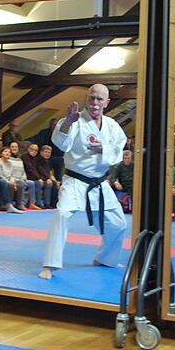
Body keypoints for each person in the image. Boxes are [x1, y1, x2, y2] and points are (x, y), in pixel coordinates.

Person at [40, 84, 127, 279]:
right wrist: (67, 124)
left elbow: (119, 150)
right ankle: (50, 265)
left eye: (99, 99)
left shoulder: (112, 125)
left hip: (100, 183)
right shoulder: (74, 120)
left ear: (107, 102)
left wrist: (101, 148)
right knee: (62, 215)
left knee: (118, 224)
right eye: (91, 98)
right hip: (75, 181)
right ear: (86, 98)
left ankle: (105, 258)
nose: (95, 102)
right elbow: (62, 143)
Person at [8, 141, 39, 210]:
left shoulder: (19, 160)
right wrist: (14, 180)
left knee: (31, 183)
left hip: (21, 178)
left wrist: (24, 178)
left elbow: (23, 171)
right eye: (12, 147)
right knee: (21, 183)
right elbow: (9, 172)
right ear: (9, 148)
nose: (14, 148)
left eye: (16, 147)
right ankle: (20, 203)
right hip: (12, 179)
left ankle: (31, 203)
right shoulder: (8, 159)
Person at [21, 143, 52, 208]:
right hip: (26, 177)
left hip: (33, 177)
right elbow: (30, 169)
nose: (34, 151)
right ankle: (37, 203)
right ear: (28, 149)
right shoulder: (24, 156)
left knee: (48, 183)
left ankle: (47, 203)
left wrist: (47, 178)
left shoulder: (34, 158)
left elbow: (39, 169)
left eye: (36, 150)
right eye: (32, 149)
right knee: (37, 183)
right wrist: (39, 178)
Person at [0, 147, 26, 211]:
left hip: (9, 180)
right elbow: (0, 175)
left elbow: (12, 174)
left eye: (9, 152)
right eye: (5, 151)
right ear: (1, 153)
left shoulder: (10, 163)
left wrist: (12, 181)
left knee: (20, 184)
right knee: (10, 185)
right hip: (1, 180)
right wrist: (9, 182)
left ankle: (18, 204)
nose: (7, 153)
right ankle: (8, 204)